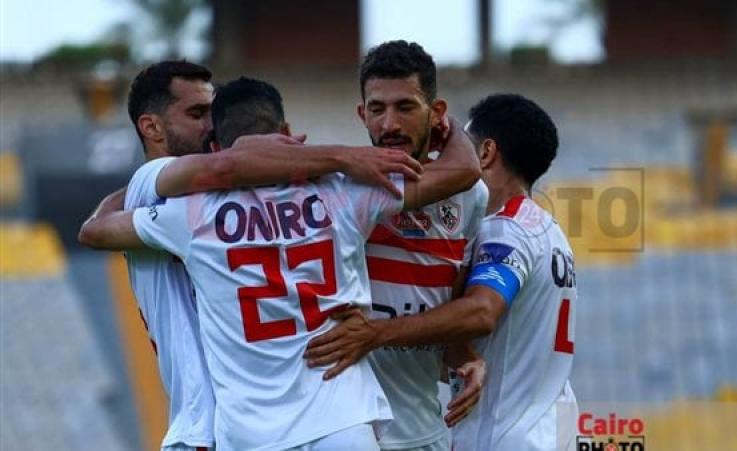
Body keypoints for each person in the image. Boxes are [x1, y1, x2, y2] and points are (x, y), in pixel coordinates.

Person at [79, 76, 480, 450]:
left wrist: (135, 189)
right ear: (288, 132)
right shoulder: (345, 192)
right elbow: (461, 171)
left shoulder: (189, 214)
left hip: (253, 434)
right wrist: (449, 126)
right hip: (343, 423)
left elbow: (96, 231)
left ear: (215, 148)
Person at [305, 94, 579, 451]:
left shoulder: (504, 231)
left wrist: (375, 334)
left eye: (462, 148)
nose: (445, 161)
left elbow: (481, 312)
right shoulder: (550, 231)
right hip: (552, 428)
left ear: (485, 153)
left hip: (504, 435)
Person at [354, 40, 489, 451]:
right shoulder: (343, 190)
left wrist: (466, 359)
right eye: (377, 109)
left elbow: (443, 312)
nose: (389, 124)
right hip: (349, 434)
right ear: (362, 114)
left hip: (424, 433)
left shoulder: (471, 198)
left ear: (436, 112)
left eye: (405, 107)